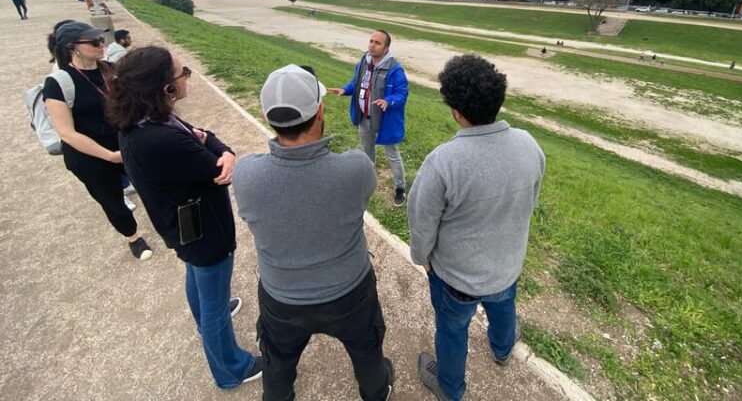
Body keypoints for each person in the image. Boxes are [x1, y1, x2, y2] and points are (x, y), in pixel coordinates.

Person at [233, 64, 394, 401]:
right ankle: (376, 390)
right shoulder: (355, 168)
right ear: (320, 111)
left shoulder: (246, 174)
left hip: (282, 297)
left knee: (278, 363)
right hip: (349, 293)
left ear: (266, 116)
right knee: (366, 351)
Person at [107, 46, 262, 389]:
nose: (187, 77)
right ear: (167, 88)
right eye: (183, 74)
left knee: (197, 276)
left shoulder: (145, 120)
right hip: (204, 230)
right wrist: (225, 151)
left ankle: (203, 320)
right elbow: (216, 167)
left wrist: (213, 144)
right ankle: (231, 369)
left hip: (182, 225)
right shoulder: (162, 138)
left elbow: (203, 136)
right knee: (214, 305)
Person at [408, 54, 546, 401]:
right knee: (504, 309)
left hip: (456, 278)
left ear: (455, 111)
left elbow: (421, 218)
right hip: (507, 267)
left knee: (452, 332)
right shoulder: (529, 144)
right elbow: (530, 200)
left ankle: (450, 389)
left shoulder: (443, 161)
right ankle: (502, 349)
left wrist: (422, 256)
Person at [43, 22, 152, 260]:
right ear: (74, 48)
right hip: (90, 156)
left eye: (101, 40)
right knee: (111, 199)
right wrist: (110, 156)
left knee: (151, 182)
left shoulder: (112, 70)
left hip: (123, 143)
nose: (101, 45)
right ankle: (133, 237)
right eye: (94, 42)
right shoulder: (59, 83)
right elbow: (67, 133)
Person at [328, 30, 409, 206]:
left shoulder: (395, 70)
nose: (372, 45)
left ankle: (400, 188)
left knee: (392, 154)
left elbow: (402, 95)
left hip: (384, 121)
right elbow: (356, 83)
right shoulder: (364, 62)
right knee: (366, 153)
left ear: (386, 48)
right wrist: (345, 89)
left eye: (377, 43)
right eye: (371, 41)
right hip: (364, 117)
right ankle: (368, 182)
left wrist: (389, 101)